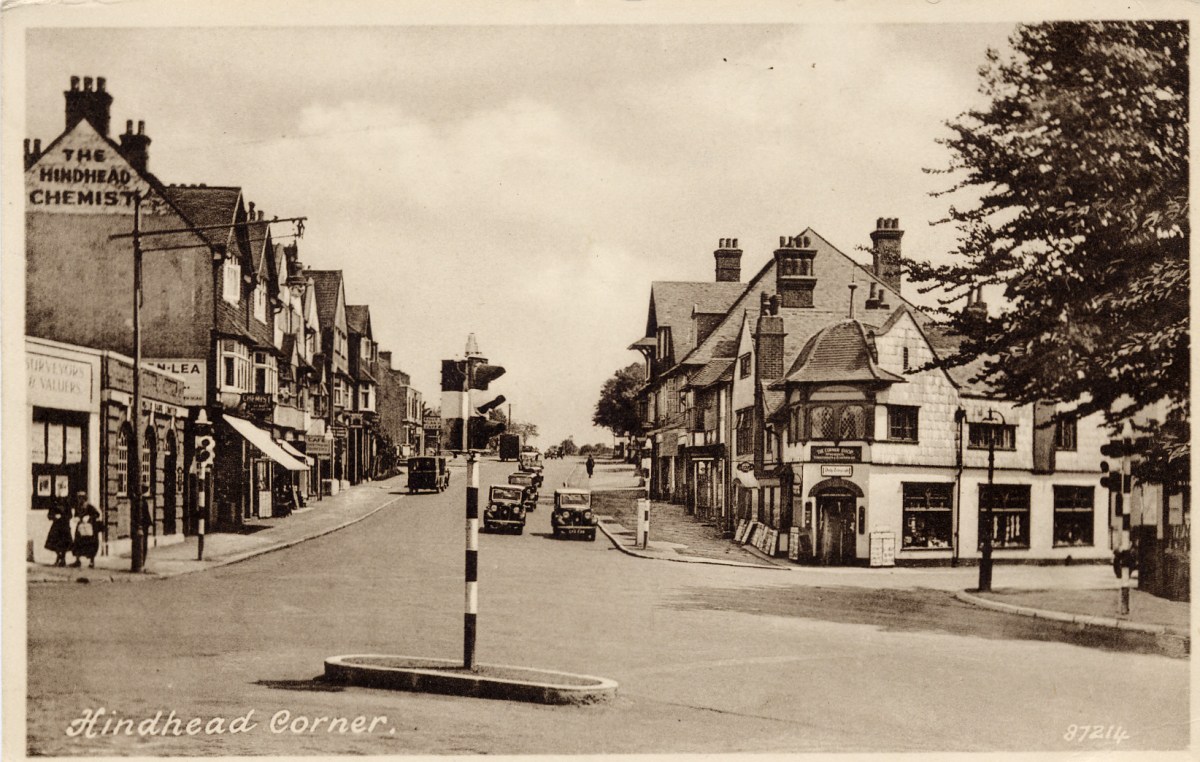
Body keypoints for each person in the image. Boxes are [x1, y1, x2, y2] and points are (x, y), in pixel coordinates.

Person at [71, 492, 101, 568]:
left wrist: (89, 517)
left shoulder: (89, 506)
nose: (79, 500)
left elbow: (97, 514)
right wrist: (77, 518)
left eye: (81, 498)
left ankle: (91, 561)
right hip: (80, 528)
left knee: (90, 545)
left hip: (89, 528)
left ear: (84, 498)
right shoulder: (78, 507)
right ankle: (77, 560)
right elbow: (76, 515)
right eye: (78, 498)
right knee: (78, 543)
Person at [44, 499, 73, 567]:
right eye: (60, 488)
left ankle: (63, 559)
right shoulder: (54, 503)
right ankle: (59, 557)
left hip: (65, 526)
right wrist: (54, 516)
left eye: (63, 488)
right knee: (54, 543)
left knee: (64, 544)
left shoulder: (67, 503)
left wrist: (62, 516)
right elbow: (49, 515)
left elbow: (70, 515)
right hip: (56, 527)